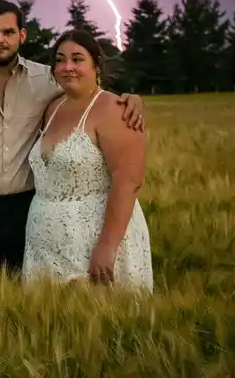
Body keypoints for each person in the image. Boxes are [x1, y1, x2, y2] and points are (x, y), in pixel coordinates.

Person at [0, 0, 145, 274]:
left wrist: (130, 99)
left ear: (22, 35)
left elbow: (88, 92)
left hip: (26, 211)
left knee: (24, 302)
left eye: (8, 32)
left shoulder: (47, 79)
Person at [22, 29, 154, 290]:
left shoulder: (114, 110)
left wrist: (107, 244)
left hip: (95, 239)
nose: (67, 67)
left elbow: (129, 182)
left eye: (77, 59)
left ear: (96, 65)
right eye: (59, 60)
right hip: (43, 243)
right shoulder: (52, 106)